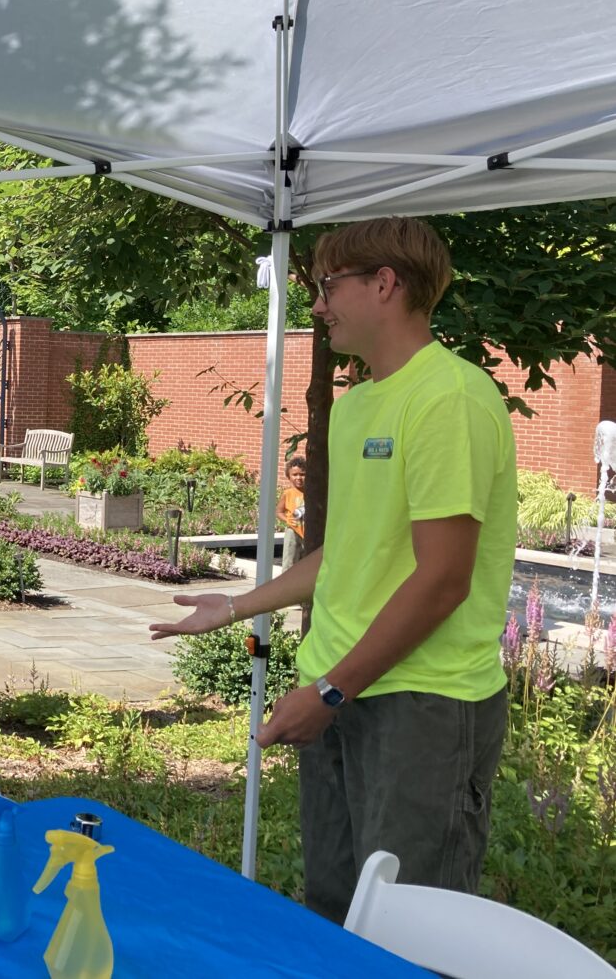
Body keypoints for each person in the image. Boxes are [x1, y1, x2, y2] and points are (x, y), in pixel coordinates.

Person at [151, 216, 516, 923]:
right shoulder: (356, 407)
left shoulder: (451, 399)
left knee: (411, 930)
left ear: (385, 284)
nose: (316, 305)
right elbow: (344, 551)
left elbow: (443, 579)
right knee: (332, 912)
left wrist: (328, 691)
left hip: (423, 706)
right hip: (343, 691)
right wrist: (233, 607)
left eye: (327, 286)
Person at [276, 455, 306, 570]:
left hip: (308, 534)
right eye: (295, 474)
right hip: (293, 532)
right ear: (289, 476)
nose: (299, 477)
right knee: (289, 563)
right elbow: (279, 512)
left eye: (302, 474)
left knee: (305, 564)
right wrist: (287, 519)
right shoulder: (287, 493)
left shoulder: (312, 493)